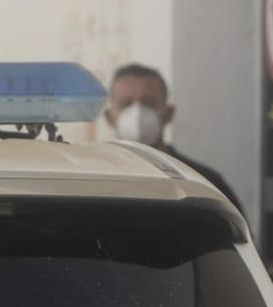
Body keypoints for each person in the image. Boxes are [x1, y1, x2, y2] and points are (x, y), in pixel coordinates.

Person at [103, 62, 245, 215]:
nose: (137, 114)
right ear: (109, 117)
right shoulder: (94, 180)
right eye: (126, 104)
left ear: (169, 113)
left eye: (149, 103)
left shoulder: (204, 183)